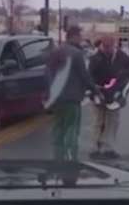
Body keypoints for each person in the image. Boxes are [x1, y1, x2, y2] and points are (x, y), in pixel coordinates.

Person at [45, 25, 97, 161]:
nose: (81, 39)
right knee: (72, 129)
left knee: (58, 127)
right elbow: (84, 76)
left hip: (57, 97)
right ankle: (71, 159)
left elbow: (48, 73)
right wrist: (95, 89)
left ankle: (57, 156)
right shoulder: (76, 53)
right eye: (80, 36)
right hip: (72, 98)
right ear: (73, 36)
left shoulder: (55, 51)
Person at [88, 35, 129, 159]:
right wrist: (94, 89)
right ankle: (95, 146)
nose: (106, 50)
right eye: (104, 47)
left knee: (113, 121)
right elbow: (89, 75)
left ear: (114, 45)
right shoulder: (96, 58)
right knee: (98, 120)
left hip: (114, 95)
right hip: (98, 92)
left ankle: (108, 147)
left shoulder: (122, 57)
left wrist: (123, 88)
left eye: (108, 47)